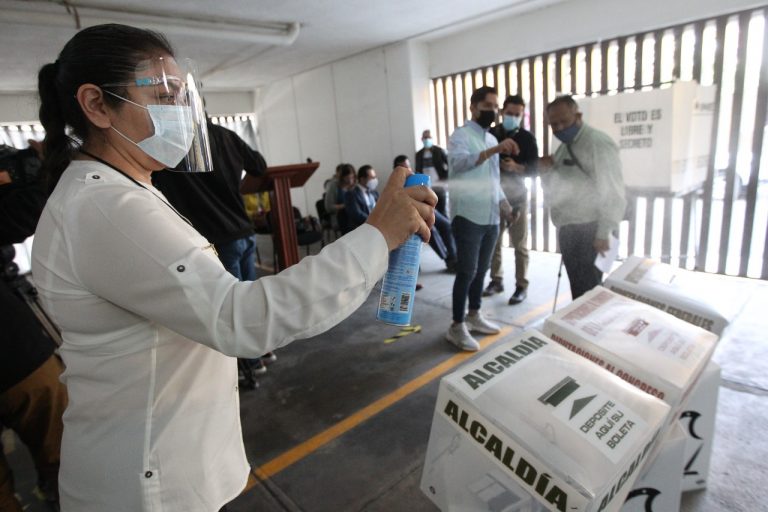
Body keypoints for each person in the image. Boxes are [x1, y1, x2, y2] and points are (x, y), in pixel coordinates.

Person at [31, 24, 436, 512]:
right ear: (97, 105)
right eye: (163, 95)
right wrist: (377, 236)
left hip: (163, 454)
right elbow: (243, 319)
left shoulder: (126, 188)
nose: (182, 113)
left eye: (183, 96)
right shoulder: (104, 206)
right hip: (144, 484)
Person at [152, 120, 276, 377]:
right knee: (249, 300)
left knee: (231, 308)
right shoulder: (225, 135)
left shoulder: (168, 145)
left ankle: (250, 363)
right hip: (243, 228)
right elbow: (259, 165)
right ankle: (261, 351)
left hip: (216, 236)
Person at [0, 143, 67, 512]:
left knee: (66, 452)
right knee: (66, 450)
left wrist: (32, 170)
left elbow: (22, 214)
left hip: (14, 345)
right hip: (15, 348)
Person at [445, 86, 519, 352]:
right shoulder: (460, 136)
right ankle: (456, 325)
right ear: (473, 107)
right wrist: (495, 149)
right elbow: (461, 164)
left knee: (482, 270)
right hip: (468, 215)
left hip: (490, 217)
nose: (493, 111)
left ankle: (474, 315)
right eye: (488, 106)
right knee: (466, 271)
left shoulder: (489, 140)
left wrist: (504, 204)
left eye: (495, 107)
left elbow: (493, 180)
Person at [539, 95, 626, 299]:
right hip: (571, 229)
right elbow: (558, 186)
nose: (559, 128)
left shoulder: (597, 143)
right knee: (581, 291)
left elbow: (613, 191)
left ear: (578, 116)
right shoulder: (566, 145)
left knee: (589, 294)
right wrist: (545, 172)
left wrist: (604, 233)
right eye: (554, 124)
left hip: (591, 230)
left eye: (564, 122)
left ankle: (593, 329)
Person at [483, 95, 539, 305]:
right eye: (509, 114)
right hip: (495, 198)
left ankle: (521, 285)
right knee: (494, 243)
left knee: (520, 244)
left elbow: (535, 170)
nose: (513, 118)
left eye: (517, 115)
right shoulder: (491, 135)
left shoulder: (527, 138)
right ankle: (496, 280)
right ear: (502, 112)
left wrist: (516, 168)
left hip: (518, 199)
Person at [394, 154, 456, 272]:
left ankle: (454, 257)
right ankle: (448, 259)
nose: (408, 170)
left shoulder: (417, 177)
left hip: (428, 209)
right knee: (430, 231)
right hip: (413, 215)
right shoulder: (396, 185)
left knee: (447, 225)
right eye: (404, 168)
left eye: (409, 167)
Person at [414, 129, 449, 217]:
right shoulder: (419, 154)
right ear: (422, 139)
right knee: (430, 212)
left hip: (439, 185)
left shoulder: (439, 151)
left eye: (428, 137)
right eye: (425, 137)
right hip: (426, 187)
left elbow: (449, 164)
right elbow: (417, 170)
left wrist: (444, 176)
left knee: (443, 211)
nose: (427, 139)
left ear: (432, 138)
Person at [344, 164, 380, 230]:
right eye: (372, 178)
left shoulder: (374, 192)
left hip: (376, 226)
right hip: (361, 228)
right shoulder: (351, 194)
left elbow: (382, 207)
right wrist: (374, 222)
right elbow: (357, 215)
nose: (374, 180)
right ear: (362, 179)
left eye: (375, 177)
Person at [324, 163, 356, 234]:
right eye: (347, 178)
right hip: (340, 217)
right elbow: (329, 207)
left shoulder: (354, 185)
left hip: (353, 215)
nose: (350, 181)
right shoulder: (333, 186)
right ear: (342, 177)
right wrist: (346, 205)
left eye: (352, 177)